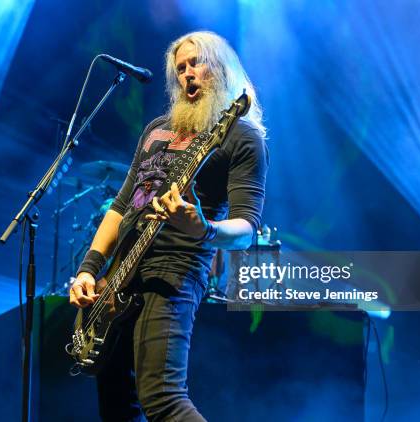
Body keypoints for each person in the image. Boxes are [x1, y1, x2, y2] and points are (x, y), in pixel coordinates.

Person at [70, 31, 269, 421]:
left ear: (222, 68)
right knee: (116, 404)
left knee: (162, 398)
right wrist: (89, 268)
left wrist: (204, 227)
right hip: (120, 274)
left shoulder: (242, 137)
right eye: (180, 68)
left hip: (175, 270)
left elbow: (247, 228)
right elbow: (122, 205)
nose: (188, 74)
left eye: (197, 63)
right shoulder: (157, 129)